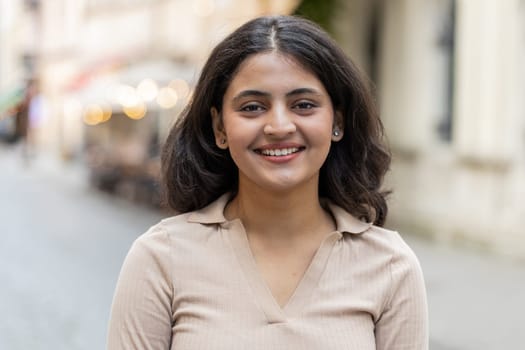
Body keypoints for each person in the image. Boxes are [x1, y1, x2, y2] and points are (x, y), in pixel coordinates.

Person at [107, 15, 428, 349]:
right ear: (220, 128)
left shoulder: (391, 267)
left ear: (338, 121)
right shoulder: (161, 259)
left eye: (303, 105)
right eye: (252, 107)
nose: (278, 126)